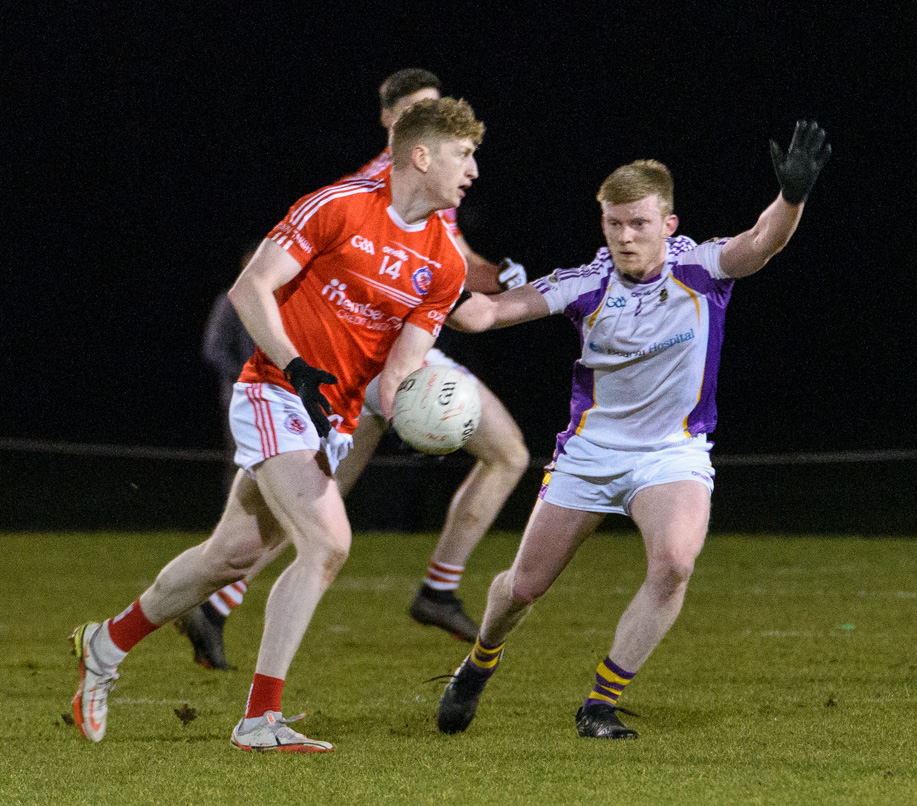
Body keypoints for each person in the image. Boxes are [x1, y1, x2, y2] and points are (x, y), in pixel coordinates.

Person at [70, 97, 485, 752]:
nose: (473, 173)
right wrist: (294, 366)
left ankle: (106, 643)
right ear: (422, 155)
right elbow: (251, 288)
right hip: (273, 392)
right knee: (328, 542)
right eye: (464, 156)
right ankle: (260, 719)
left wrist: (421, 411)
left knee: (228, 556)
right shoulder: (338, 207)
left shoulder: (447, 264)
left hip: (331, 420)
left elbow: (400, 367)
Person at [435, 119, 831, 739]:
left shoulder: (702, 268)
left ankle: (599, 702)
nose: (625, 237)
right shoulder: (585, 284)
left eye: (639, 224)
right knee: (523, 588)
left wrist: (792, 197)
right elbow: (487, 313)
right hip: (590, 454)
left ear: (667, 226)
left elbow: (761, 243)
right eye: (614, 224)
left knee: (674, 562)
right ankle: (479, 662)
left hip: (671, 454)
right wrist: (433, 292)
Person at [176, 69, 530, 670]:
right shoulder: (369, 190)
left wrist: (509, 282)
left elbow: (458, 272)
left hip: (401, 348)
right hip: (363, 358)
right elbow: (277, 277)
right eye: (423, 112)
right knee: (315, 510)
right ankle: (433, 590)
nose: (439, 120)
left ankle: (217, 606)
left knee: (500, 456)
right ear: (398, 126)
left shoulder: (432, 197)